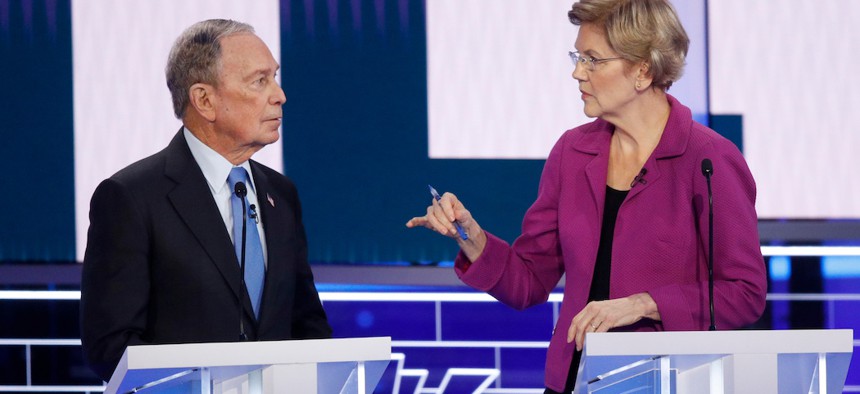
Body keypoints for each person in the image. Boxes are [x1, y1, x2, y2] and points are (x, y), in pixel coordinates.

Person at [406, 0, 767, 392]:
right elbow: (528, 283)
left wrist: (644, 303)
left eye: (593, 60)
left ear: (643, 70)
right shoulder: (572, 153)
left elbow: (744, 293)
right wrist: (470, 235)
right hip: (571, 383)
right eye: (577, 57)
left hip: (662, 383)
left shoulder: (708, 159)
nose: (578, 73)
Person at [80, 19, 331, 381]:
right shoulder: (131, 198)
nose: (279, 95)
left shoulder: (281, 195)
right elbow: (111, 347)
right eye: (259, 81)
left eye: (274, 78)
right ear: (204, 100)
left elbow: (307, 325)